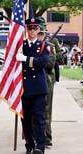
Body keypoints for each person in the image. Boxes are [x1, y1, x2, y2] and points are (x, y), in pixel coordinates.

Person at [16, 18, 49, 154]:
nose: (32, 31)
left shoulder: (43, 46)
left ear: (39, 30)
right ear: (26, 30)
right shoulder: (21, 45)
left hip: (38, 88)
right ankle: (29, 144)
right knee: (26, 119)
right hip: (24, 88)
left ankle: (40, 146)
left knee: (39, 118)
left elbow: (43, 62)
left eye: (35, 29)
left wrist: (26, 59)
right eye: (30, 28)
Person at [37, 18, 56, 147]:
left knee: (46, 111)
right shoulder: (30, 46)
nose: (39, 36)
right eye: (38, 33)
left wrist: (35, 61)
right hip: (34, 82)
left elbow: (50, 64)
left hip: (46, 80)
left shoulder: (49, 47)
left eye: (41, 34)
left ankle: (46, 138)